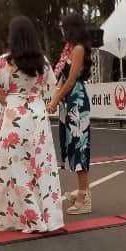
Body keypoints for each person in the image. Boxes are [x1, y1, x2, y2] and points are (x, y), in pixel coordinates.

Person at [0, 16, 64, 235]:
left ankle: (29, 217)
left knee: (16, 169)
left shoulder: (5, 61)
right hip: (38, 116)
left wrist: (13, 102)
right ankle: (48, 216)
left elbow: (0, 93)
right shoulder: (43, 62)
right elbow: (52, 87)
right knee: (41, 167)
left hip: (14, 116)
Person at [48, 13, 92, 214]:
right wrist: (55, 97)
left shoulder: (78, 49)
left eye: (63, 27)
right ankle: (83, 190)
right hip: (69, 102)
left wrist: (56, 99)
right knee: (72, 146)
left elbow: (71, 80)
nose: (61, 31)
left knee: (79, 147)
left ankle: (84, 197)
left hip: (76, 102)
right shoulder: (70, 49)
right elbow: (62, 79)